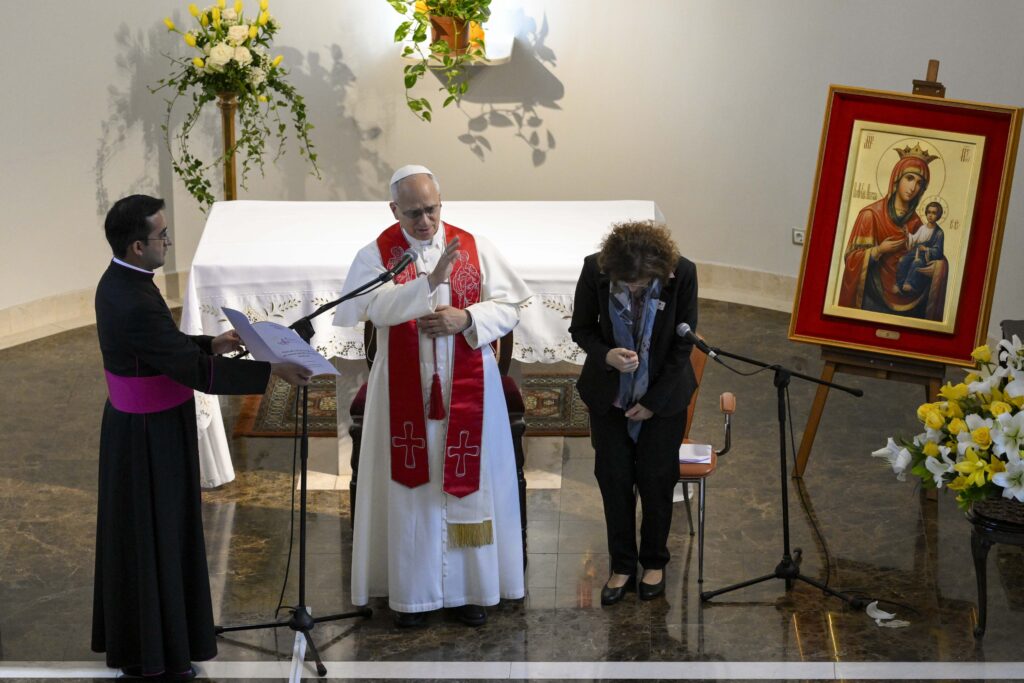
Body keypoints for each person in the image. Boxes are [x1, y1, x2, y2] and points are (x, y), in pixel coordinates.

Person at [91, 195, 311, 678]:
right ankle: (157, 655)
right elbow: (189, 370)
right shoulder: (132, 297)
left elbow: (163, 348)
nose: (168, 242)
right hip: (149, 438)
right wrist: (271, 371)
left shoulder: (124, 282)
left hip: (142, 428)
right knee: (158, 537)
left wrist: (211, 342)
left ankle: (155, 642)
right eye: (161, 236)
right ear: (135, 245)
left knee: (154, 536)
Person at [334, 165, 532, 627]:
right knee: (412, 490)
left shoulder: (473, 246)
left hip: (468, 387)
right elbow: (375, 309)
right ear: (393, 210)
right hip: (404, 390)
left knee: (470, 483)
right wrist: (427, 284)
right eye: (413, 213)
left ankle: (470, 590)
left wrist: (467, 320)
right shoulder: (378, 253)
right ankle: (413, 595)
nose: (424, 221)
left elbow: (510, 306)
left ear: (441, 202)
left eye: (431, 210)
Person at [569, 220, 698, 605]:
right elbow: (581, 329)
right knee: (614, 479)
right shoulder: (595, 269)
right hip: (609, 396)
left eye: (640, 283)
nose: (632, 289)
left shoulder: (683, 273)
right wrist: (606, 354)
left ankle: (654, 562)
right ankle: (622, 565)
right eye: (625, 283)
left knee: (657, 480)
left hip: (663, 397)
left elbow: (682, 345)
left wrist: (653, 402)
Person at [838, 144, 948, 320]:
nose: (914, 187)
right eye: (910, 178)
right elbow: (851, 259)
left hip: (911, 302)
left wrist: (939, 268)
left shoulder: (917, 223)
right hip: (873, 300)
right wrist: (879, 250)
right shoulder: (870, 215)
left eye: (920, 183)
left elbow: (929, 252)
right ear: (897, 179)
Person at [896, 201, 946, 295]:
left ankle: (909, 284)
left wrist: (926, 249)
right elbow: (914, 240)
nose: (930, 215)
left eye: (934, 213)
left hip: (926, 257)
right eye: (929, 212)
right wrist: (907, 234)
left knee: (917, 262)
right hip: (916, 252)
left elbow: (938, 251)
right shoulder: (922, 228)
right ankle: (900, 284)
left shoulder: (939, 233)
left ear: (938, 215)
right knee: (902, 260)